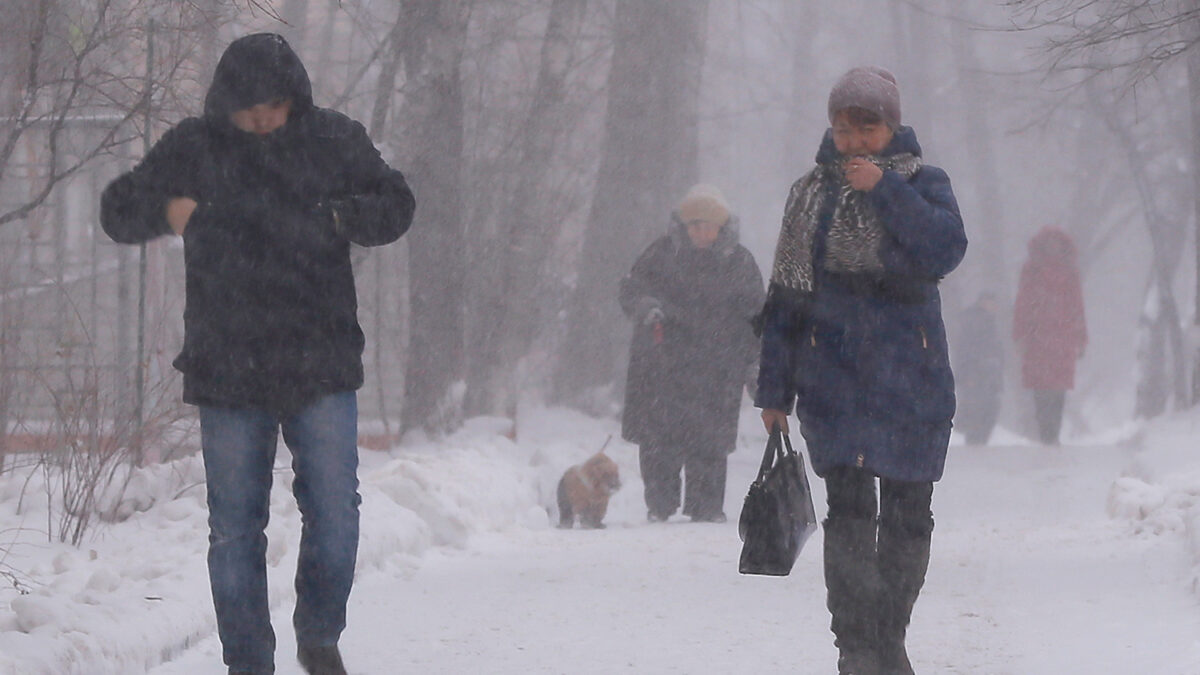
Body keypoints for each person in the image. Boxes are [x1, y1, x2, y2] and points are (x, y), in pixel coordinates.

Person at [99, 33, 415, 675]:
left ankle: (319, 633)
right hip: (227, 365)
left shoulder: (333, 139)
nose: (264, 118)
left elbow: (397, 204)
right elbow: (117, 210)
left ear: (293, 97)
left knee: (336, 509)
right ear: (226, 105)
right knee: (234, 529)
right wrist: (170, 210)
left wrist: (340, 218)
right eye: (250, 109)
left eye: (274, 105)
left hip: (320, 359)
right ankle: (247, 660)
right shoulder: (195, 147)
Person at [755, 67, 966, 675]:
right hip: (834, 377)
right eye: (843, 128)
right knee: (848, 515)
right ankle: (855, 648)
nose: (853, 140)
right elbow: (787, 298)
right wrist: (774, 389)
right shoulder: (809, 195)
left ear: (891, 126)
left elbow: (944, 249)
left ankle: (888, 635)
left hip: (913, 379)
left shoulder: (926, 184)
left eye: (867, 126)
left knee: (909, 515)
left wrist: (885, 191)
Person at [619, 184, 764, 524]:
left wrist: (756, 362)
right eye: (695, 226)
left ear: (722, 228)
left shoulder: (740, 263)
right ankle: (660, 504)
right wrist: (647, 307)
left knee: (710, 441)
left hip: (718, 366)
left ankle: (706, 506)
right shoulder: (660, 255)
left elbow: (757, 315)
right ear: (683, 227)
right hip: (663, 363)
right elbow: (631, 287)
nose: (702, 233)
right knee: (658, 439)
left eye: (709, 226)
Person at [1013, 226, 1086, 445]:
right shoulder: (1034, 270)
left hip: (1053, 337)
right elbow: (1023, 303)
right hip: (1045, 337)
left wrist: (1080, 338)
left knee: (1056, 388)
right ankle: (1048, 432)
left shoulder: (1064, 271)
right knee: (1043, 388)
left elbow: (1077, 306)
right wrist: (1020, 334)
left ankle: (1051, 432)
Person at [952, 291, 1004, 445]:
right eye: (991, 302)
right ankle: (975, 442)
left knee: (986, 409)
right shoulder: (975, 321)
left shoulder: (988, 321)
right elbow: (966, 350)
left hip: (986, 374)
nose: (994, 306)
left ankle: (977, 441)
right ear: (982, 302)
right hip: (977, 374)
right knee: (979, 410)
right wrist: (968, 374)